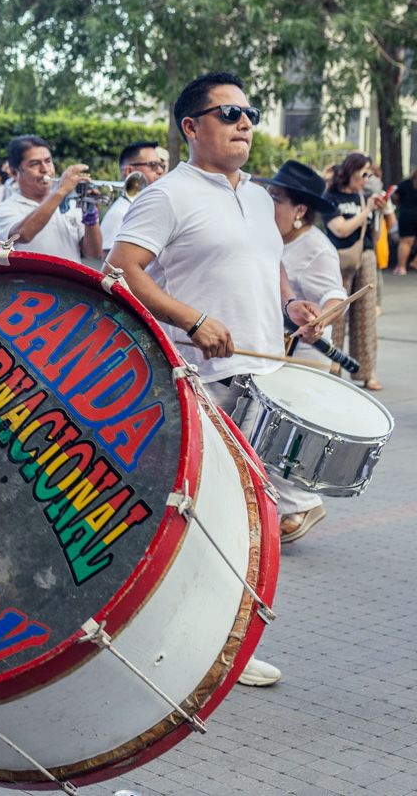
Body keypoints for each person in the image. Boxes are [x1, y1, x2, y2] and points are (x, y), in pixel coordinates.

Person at [107, 71, 318, 689]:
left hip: (262, 375)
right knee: (215, 521)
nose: (245, 123)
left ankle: (220, 641)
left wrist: (292, 309)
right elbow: (123, 270)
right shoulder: (168, 195)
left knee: (246, 519)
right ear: (191, 128)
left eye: (249, 112)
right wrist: (192, 319)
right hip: (199, 380)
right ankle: (207, 646)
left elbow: (264, 268)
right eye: (229, 114)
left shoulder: (258, 197)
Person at [260, 160, 349, 543]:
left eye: (276, 199)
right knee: (266, 429)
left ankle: (301, 503)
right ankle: (284, 505)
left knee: (285, 434)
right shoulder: (271, 239)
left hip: (304, 350)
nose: (269, 204)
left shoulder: (316, 248)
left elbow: (336, 295)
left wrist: (321, 321)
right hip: (271, 346)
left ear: (299, 210)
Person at [323, 153, 386, 390]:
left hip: (365, 256)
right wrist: (365, 211)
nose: (367, 178)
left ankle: (367, 372)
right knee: (335, 315)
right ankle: (332, 369)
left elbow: (375, 236)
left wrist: (377, 212)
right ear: (351, 171)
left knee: (366, 317)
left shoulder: (364, 196)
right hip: (339, 259)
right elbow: (340, 229)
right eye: (364, 173)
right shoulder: (331, 197)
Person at [0, 134, 102, 260]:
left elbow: (94, 254)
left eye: (48, 161)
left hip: (68, 280)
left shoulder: (71, 203)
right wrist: (61, 191)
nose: (45, 169)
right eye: (34, 164)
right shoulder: (6, 209)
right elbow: (23, 235)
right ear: (14, 172)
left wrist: (91, 218)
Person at [101, 140, 166, 253]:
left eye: (161, 165)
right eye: (152, 165)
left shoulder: (148, 206)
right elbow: (110, 267)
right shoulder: (118, 215)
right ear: (129, 171)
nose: (160, 171)